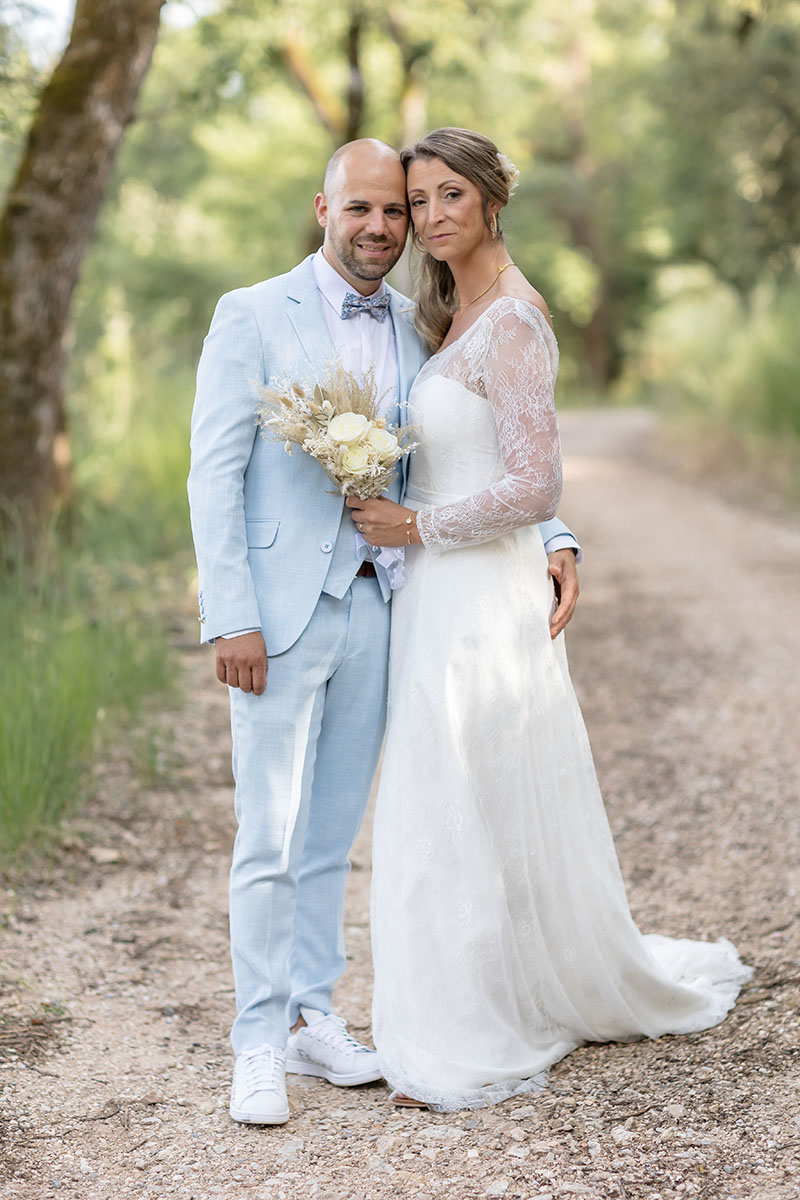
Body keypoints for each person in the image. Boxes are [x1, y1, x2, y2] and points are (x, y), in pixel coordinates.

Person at [347, 128, 752, 1112]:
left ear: (490, 200)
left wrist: (417, 525)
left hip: (477, 586)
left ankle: (470, 1022)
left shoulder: (515, 322)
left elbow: (534, 483)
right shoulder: (447, 314)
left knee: (464, 793)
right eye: (416, 200)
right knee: (445, 797)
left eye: (448, 195)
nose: (429, 217)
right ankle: (456, 995)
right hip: (439, 590)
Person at [187, 138, 582, 1125]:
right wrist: (228, 614)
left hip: (384, 605)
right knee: (267, 835)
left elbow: (480, 441)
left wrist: (558, 533)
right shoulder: (250, 315)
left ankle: (314, 1016)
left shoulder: (420, 322)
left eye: (394, 212)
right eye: (360, 208)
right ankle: (255, 1039)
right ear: (321, 209)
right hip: (275, 617)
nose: (378, 227)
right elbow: (213, 475)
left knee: (329, 834)